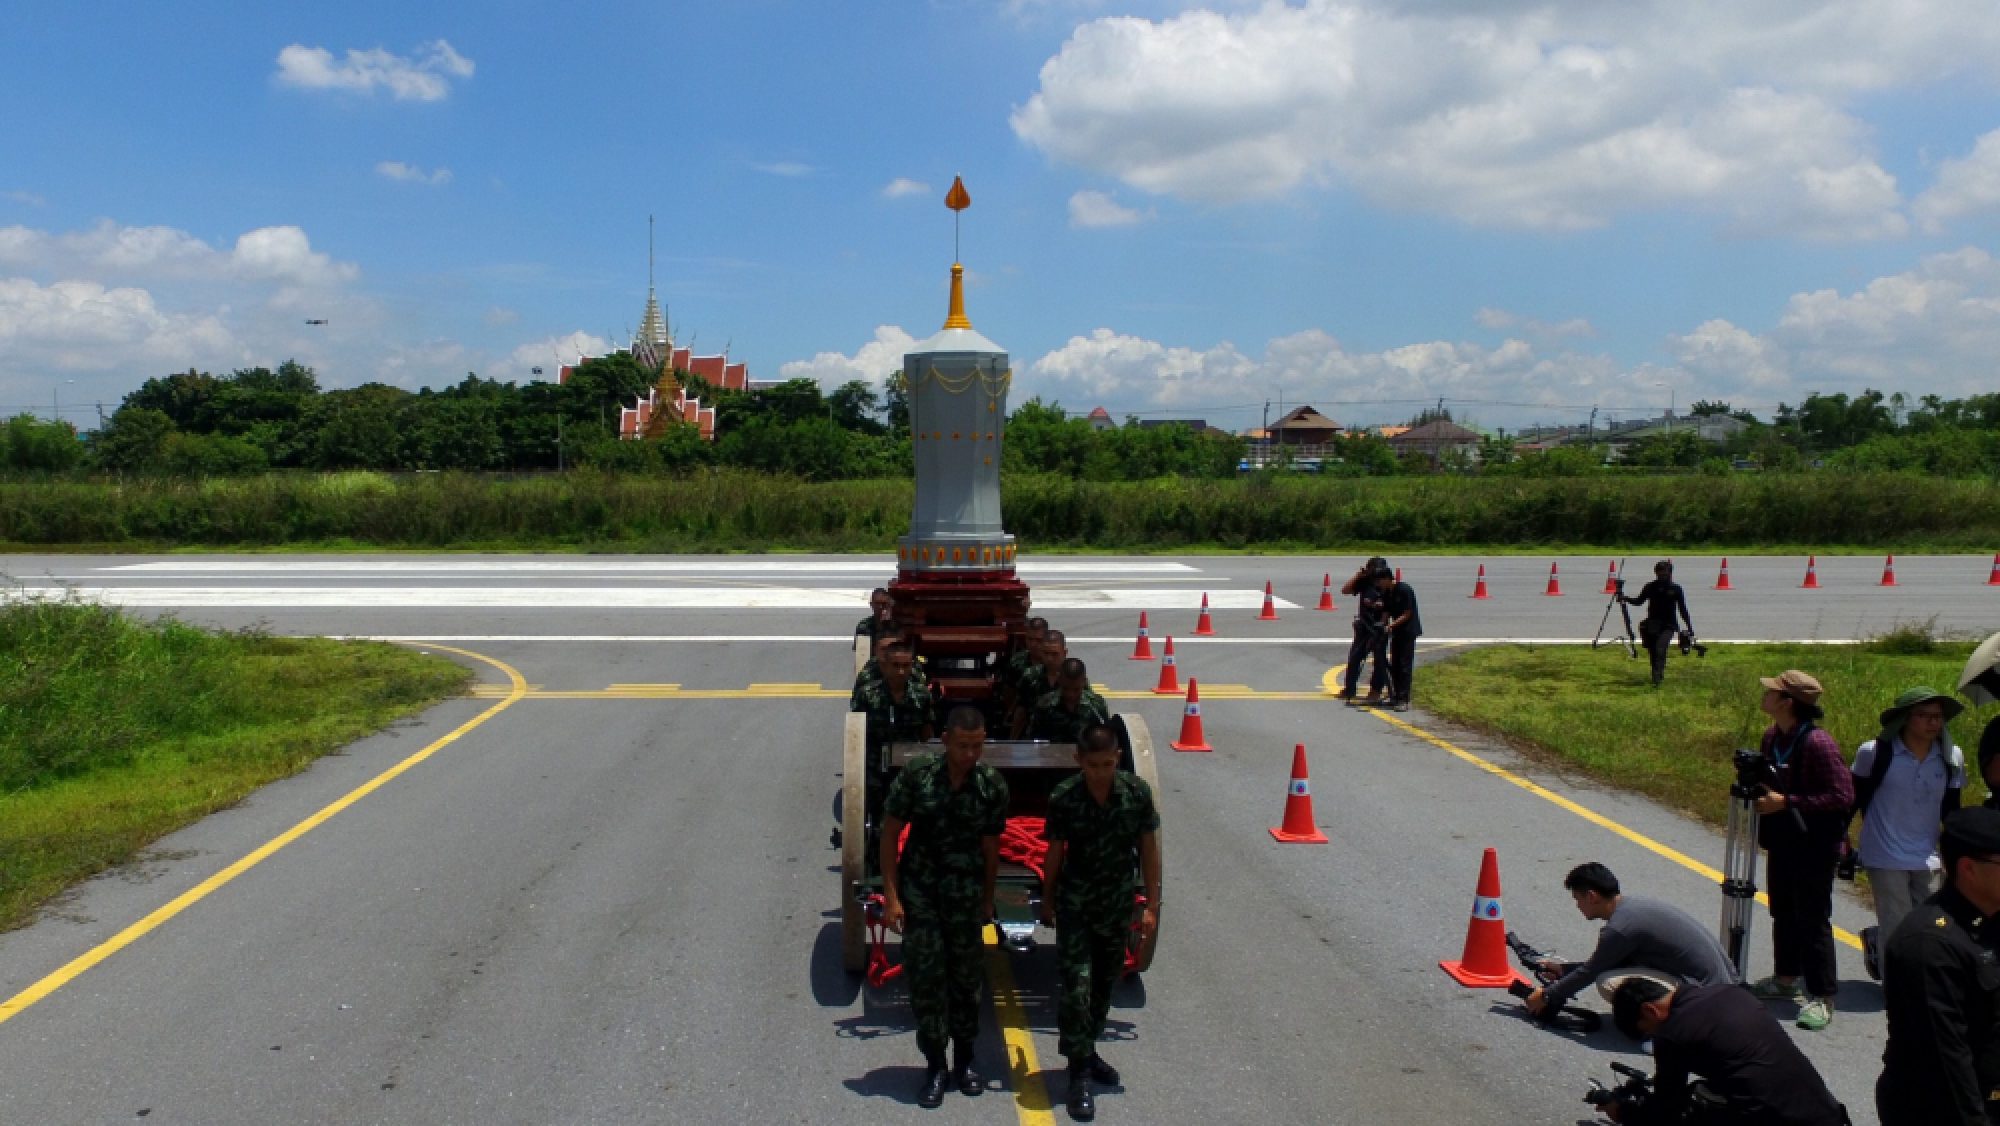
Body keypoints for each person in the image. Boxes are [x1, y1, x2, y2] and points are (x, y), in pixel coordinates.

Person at [880, 706, 1010, 1108]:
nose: (970, 754)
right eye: (963, 745)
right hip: (922, 896)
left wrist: (988, 899)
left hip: (966, 899)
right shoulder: (918, 777)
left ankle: (965, 1061)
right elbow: (889, 835)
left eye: (977, 746)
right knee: (927, 983)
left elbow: (991, 849)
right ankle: (935, 1064)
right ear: (946, 740)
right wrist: (892, 896)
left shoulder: (991, 785)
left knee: (967, 985)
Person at [1039, 723, 1161, 1122]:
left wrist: (1151, 906)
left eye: (1108, 764)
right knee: (1077, 987)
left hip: (1116, 906)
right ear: (1079, 761)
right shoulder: (1065, 798)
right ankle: (1078, 1076)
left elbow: (1148, 852)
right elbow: (1055, 850)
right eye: (1093, 765)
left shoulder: (1135, 794)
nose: (1101, 772)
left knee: (1103, 988)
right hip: (1076, 906)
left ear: (1118, 759)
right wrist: (1048, 898)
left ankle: (1087, 1051)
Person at [1876, 807, 2000, 1126]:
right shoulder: (1929, 945)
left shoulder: (1991, 919)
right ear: (1969, 869)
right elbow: (1947, 1066)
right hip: (1944, 1113)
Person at [1747, 670, 1854, 1031]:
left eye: (1772, 692)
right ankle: (1785, 978)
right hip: (1784, 839)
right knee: (1783, 910)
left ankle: (1822, 996)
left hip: (1815, 845)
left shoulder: (1818, 743)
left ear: (1787, 702)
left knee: (1813, 919)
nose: (1765, 695)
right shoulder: (1772, 736)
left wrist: (1787, 801)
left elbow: (1842, 796)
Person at [1604, 977, 1846, 1125]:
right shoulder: (1729, 993)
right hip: (1825, 1112)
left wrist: (1624, 1113)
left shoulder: (1672, 1033)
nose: (1653, 1038)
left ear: (1650, 1011)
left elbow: (1667, 1108)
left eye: (1648, 1031)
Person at [1849, 687, 1966, 980]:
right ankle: (1897, 988)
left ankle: (1899, 961)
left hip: (1927, 854)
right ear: (1904, 719)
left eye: (1938, 717)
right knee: (1896, 923)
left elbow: (1951, 810)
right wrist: (1840, 842)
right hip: (1883, 851)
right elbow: (1854, 799)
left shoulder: (1951, 756)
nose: (1932, 723)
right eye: (1923, 716)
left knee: (1931, 923)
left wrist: (1955, 854)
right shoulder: (1873, 753)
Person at [1524, 862, 1736, 1020]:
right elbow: (1617, 961)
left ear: (1591, 896)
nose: (1577, 906)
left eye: (1577, 899)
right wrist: (1565, 970)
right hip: (1724, 990)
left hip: (1704, 1000)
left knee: (1607, 982)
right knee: (1616, 973)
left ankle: (1665, 1029)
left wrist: (1546, 996)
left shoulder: (1619, 928)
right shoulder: (1634, 907)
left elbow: (1593, 971)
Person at [1616, 561, 1695, 688]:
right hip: (1652, 623)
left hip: (1669, 625)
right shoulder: (1650, 587)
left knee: (1660, 648)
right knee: (1653, 651)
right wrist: (1625, 598)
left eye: (1665, 574)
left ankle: (1656, 679)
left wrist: (1690, 628)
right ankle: (1657, 674)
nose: (1662, 576)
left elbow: (1683, 610)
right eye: (1660, 574)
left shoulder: (1676, 589)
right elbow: (1639, 601)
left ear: (1670, 574)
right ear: (1656, 574)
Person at [850, 641, 934, 747]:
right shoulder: (867, 694)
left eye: (905, 666)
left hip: (910, 759)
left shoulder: (921, 695)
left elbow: (926, 735)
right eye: (895, 665)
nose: (901, 672)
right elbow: (856, 734)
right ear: (884, 666)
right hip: (874, 760)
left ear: (912, 666)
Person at [1339, 558, 1392, 706]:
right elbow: (1345, 590)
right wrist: (1358, 576)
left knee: (1379, 660)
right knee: (1355, 657)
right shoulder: (1365, 582)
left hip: (1379, 627)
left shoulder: (1387, 584)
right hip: (1363, 626)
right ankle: (1349, 688)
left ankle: (1375, 690)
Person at [1026, 658, 1111, 744]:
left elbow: (1106, 737)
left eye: (1076, 689)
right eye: (1065, 689)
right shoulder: (1045, 704)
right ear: (1059, 680)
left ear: (1084, 681)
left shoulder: (1095, 704)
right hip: (1052, 755)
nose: (1071, 694)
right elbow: (1033, 738)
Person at [1372, 566, 1422, 711]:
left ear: (1388, 578)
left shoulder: (1404, 590)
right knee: (1395, 664)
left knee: (1404, 665)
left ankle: (1403, 699)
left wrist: (1390, 626)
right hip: (1396, 632)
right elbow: (1387, 610)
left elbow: (1407, 614)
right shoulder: (1388, 592)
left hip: (1407, 631)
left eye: (1380, 580)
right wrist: (1382, 624)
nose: (1379, 584)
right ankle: (1395, 695)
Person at [1011, 630, 1068, 734]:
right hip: (1036, 735)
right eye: (1046, 653)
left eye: (1054, 654)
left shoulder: (1072, 676)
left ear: (1064, 653)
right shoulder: (1030, 676)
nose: (1050, 659)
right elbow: (1022, 710)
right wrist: (1013, 738)